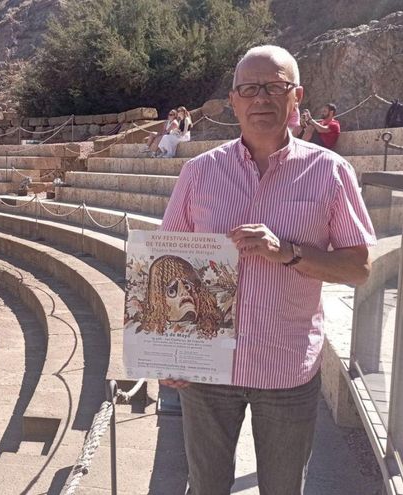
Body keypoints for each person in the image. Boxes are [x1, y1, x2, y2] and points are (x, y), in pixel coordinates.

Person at [159, 45, 375, 495]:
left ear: (296, 96)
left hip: (286, 368)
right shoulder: (199, 173)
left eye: (274, 87)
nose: (262, 98)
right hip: (208, 369)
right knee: (206, 486)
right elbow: (166, 263)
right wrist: (165, 352)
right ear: (234, 101)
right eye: (249, 89)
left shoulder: (331, 172)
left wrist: (289, 252)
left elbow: (358, 268)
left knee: (282, 488)